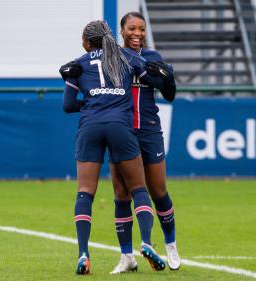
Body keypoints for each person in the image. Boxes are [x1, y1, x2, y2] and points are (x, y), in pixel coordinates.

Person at [60, 20, 167, 274]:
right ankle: (146, 242)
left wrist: (90, 103)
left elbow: (67, 105)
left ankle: (83, 254)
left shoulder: (78, 64)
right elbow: (152, 77)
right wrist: (164, 75)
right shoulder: (126, 56)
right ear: (109, 37)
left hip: (90, 127)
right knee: (138, 188)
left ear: (87, 42)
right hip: (121, 126)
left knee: (85, 191)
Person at [109, 11, 180, 274]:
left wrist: (167, 77)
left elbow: (169, 94)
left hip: (149, 130)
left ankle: (170, 243)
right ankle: (127, 256)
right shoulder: (113, 58)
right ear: (122, 30)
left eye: (141, 29)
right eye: (132, 29)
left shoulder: (153, 57)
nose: (137, 34)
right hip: (122, 131)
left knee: (158, 190)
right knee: (121, 194)